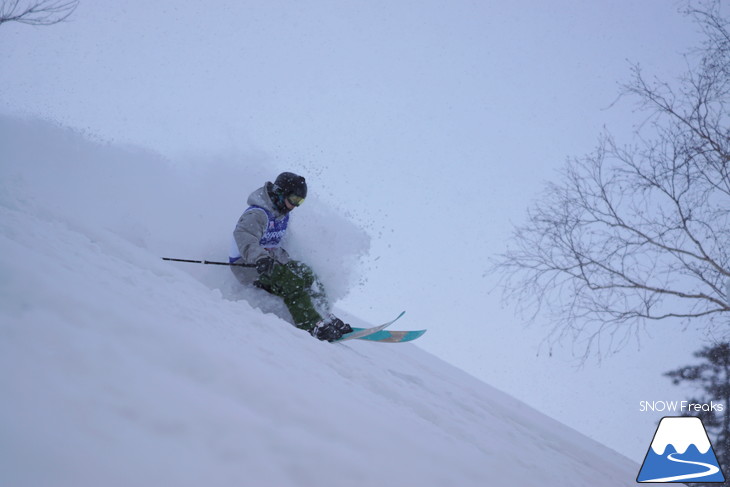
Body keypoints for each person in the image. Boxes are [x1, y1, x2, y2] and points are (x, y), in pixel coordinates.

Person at [229, 172, 353, 341]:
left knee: (308, 275)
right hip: (248, 264)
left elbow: (279, 243)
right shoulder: (257, 214)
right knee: (291, 282)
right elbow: (244, 235)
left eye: (300, 202)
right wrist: (260, 258)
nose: (295, 206)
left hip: (271, 260)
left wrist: (288, 262)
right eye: (294, 199)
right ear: (280, 192)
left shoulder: (282, 214)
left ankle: (324, 315)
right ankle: (312, 326)